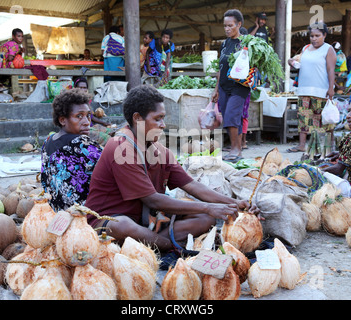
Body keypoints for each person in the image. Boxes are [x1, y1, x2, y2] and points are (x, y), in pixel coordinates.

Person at [85, 85, 259, 254]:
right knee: (122, 225)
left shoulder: (160, 151)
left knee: (206, 218)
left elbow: (192, 186)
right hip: (107, 223)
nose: (163, 124)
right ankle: (168, 244)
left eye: (163, 118)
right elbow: (152, 200)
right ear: (137, 118)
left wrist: (233, 203)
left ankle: (152, 242)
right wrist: (208, 207)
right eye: (157, 118)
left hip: (147, 221)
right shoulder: (120, 147)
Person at [40, 88, 102, 212]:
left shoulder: (47, 142)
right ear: (62, 120)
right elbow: (112, 167)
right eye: (79, 116)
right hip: (82, 215)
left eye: (88, 116)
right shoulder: (82, 144)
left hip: (56, 214)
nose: (86, 122)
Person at [286, 23, 336, 153]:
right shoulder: (305, 48)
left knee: (322, 118)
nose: (314, 38)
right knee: (303, 117)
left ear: (324, 35)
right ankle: (301, 145)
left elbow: (331, 70)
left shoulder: (328, 49)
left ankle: (328, 145)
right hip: (304, 90)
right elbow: (299, 64)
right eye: (312, 36)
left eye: (317, 36)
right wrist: (291, 62)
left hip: (321, 90)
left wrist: (331, 88)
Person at [211, 9, 250, 162]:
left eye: (230, 25)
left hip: (239, 86)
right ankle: (238, 151)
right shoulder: (225, 44)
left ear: (239, 24)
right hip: (224, 86)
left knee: (232, 116)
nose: (227, 29)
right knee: (231, 117)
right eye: (225, 26)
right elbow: (221, 68)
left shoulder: (246, 43)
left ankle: (235, 149)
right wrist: (216, 89)